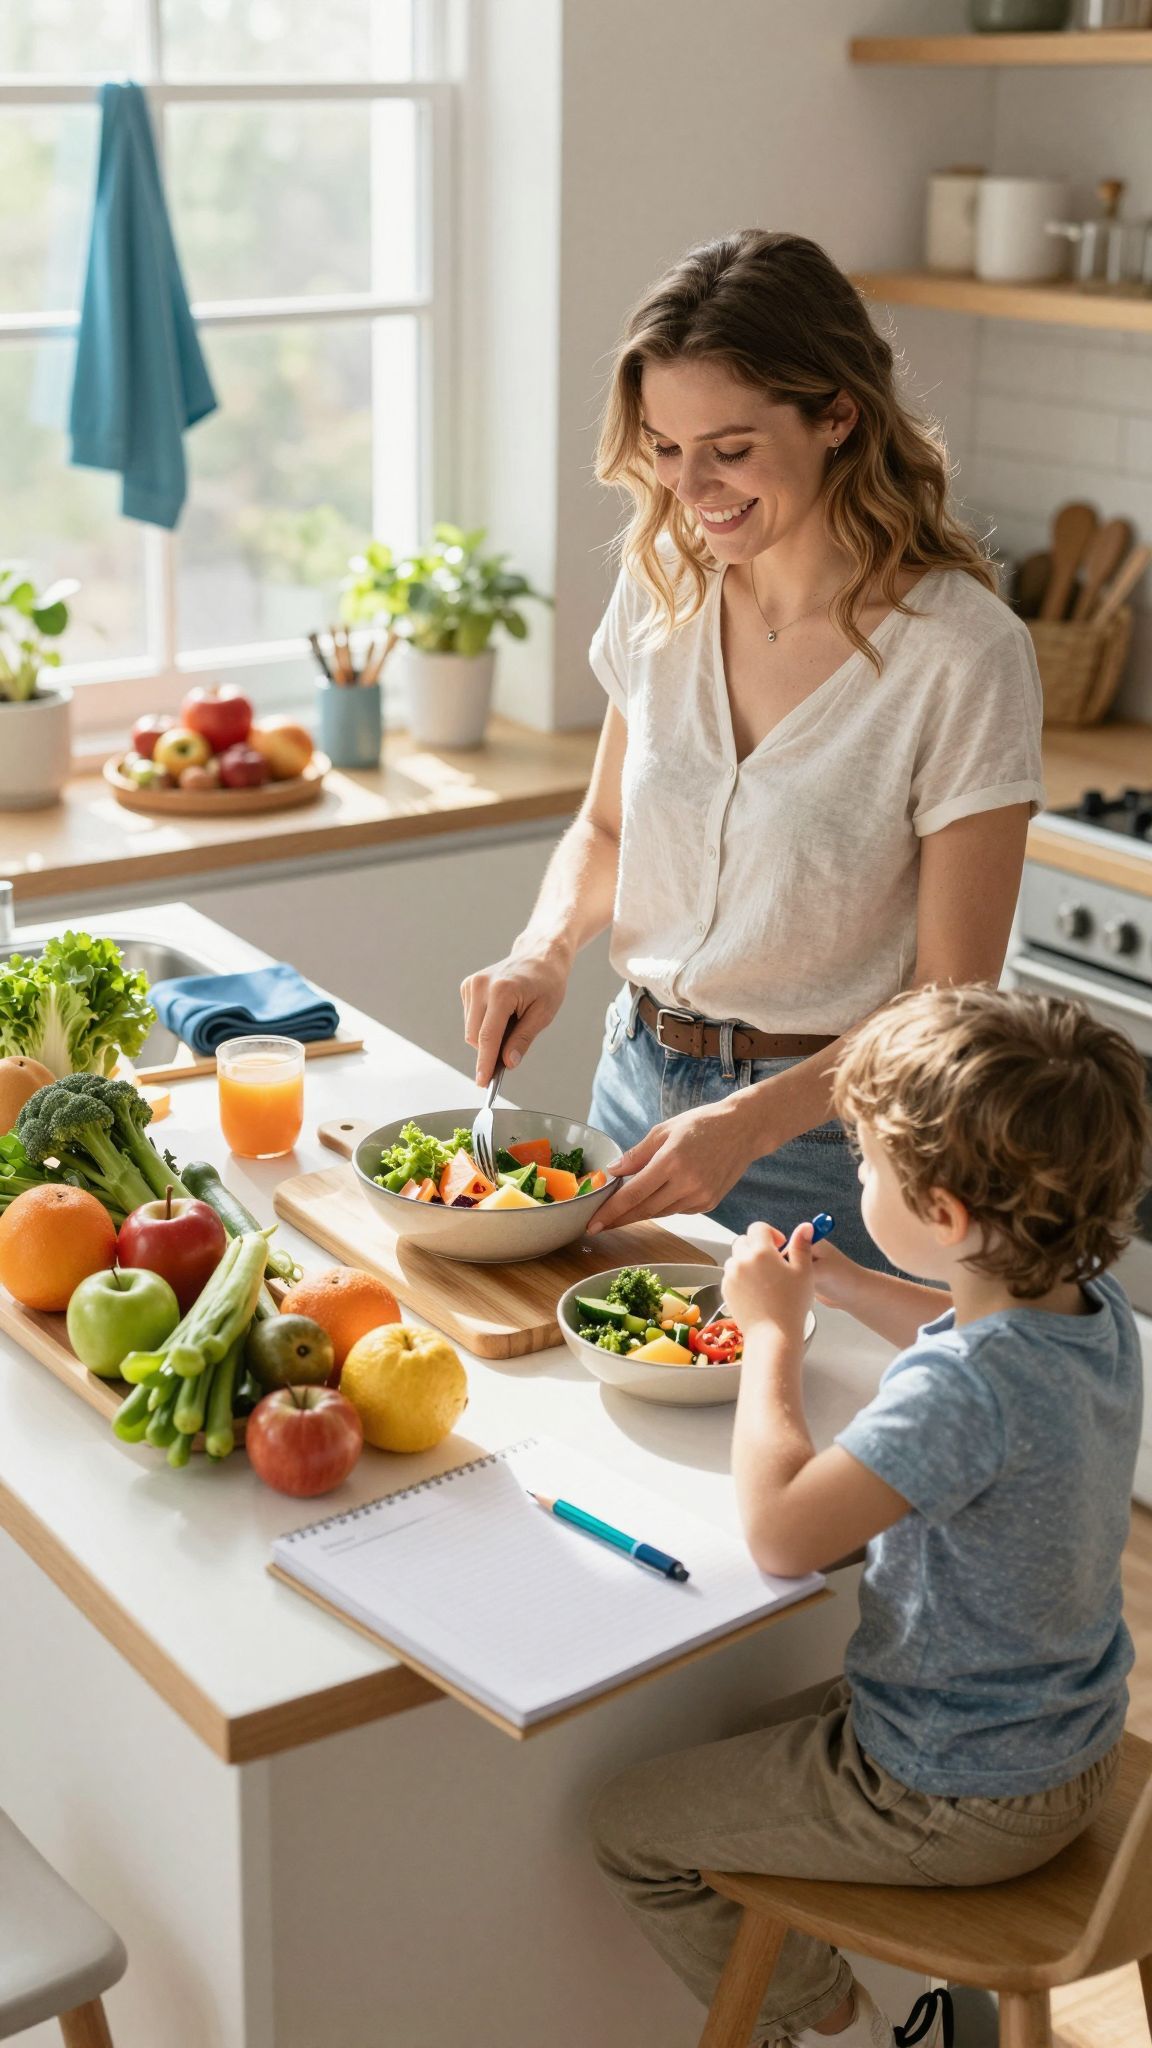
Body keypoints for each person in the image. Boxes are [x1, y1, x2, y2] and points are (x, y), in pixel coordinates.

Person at [460, 230, 1044, 1267]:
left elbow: (950, 997)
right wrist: (542, 948)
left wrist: (751, 1122)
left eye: (729, 450)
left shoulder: (962, 653)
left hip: (829, 1147)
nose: (691, 488)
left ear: (837, 416)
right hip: (630, 1091)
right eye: (665, 447)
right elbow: (607, 828)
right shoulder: (663, 584)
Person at [589, 983, 1148, 2048]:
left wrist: (771, 1333)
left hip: (946, 1791)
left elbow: (782, 1532)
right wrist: (848, 1287)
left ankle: (854, 2033)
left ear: (943, 1217)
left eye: (868, 1166)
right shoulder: (1090, 1309)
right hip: (1069, 1751)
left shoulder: (963, 1392)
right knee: (717, 1740)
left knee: (627, 1822)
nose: (855, 1176)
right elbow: (962, 1320)